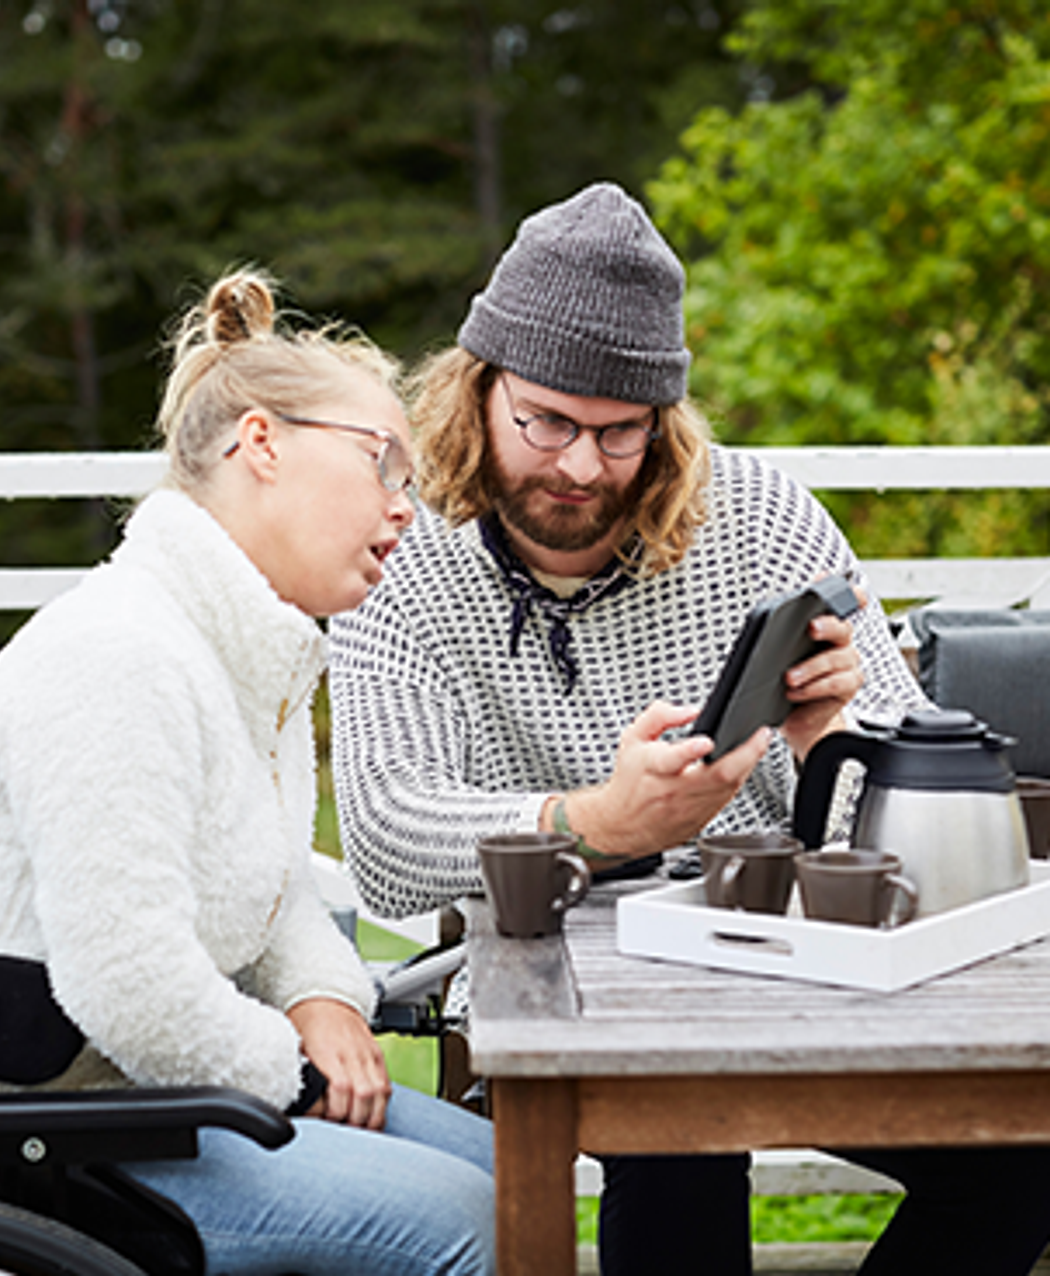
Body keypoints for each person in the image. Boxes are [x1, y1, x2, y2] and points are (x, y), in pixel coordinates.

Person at [328, 184, 1050, 1275]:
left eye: (619, 433)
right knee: (674, 1153)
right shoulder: (405, 549)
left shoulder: (761, 517)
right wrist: (589, 820)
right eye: (546, 421)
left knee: (1022, 1157)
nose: (579, 466)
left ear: (662, 421)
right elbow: (385, 842)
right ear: (476, 389)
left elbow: (908, 828)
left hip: (786, 959)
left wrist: (830, 739)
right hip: (559, 976)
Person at [0, 269, 495, 1276]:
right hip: (43, 1133)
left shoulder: (239, 649)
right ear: (260, 444)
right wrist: (297, 1071)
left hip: (143, 1100)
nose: (410, 507)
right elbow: (129, 982)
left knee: (508, 1164)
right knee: (472, 1217)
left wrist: (321, 995)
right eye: (384, 465)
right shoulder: (118, 655)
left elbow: (268, 884)